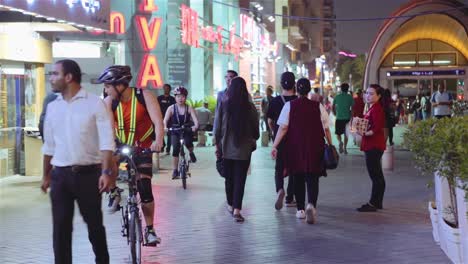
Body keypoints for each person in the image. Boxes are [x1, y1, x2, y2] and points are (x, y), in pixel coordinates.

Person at [41, 59, 114, 263]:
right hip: (60, 177)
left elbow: (107, 141)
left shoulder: (94, 103)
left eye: (55, 74)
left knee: (95, 227)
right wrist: (45, 175)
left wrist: (106, 172)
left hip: (88, 175)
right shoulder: (53, 107)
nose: (51, 78)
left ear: (69, 77)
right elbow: (49, 146)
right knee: (61, 230)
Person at [96, 65, 164, 245]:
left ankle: (150, 230)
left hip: (142, 146)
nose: (105, 90)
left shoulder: (144, 96)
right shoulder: (108, 102)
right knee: (106, 162)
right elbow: (109, 130)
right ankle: (113, 191)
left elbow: (158, 121)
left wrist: (158, 140)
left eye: (107, 86)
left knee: (145, 188)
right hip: (121, 144)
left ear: (120, 85)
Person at [271, 78, 333, 224]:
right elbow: (326, 129)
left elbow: (283, 128)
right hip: (315, 146)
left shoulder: (289, 106)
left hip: (295, 147)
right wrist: (330, 145)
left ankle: (300, 210)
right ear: (309, 89)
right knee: (312, 177)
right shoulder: (318, 106)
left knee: (297, 177)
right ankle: (311, 204)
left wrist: (275, 145)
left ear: (297, 90)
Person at [214, 76, 259, 222]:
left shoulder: (224, 104)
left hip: (226, 148)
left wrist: (217, 145)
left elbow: (217, 127)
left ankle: (230, 204)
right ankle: (237, 210)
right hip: (244, 150)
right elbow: (256, 130)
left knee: (229, 179)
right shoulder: (250, 107)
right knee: (240, 180)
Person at [267, 72, 298, 210]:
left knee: (279, 167)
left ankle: (280, 189)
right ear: (294, 84)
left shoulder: (274, 101)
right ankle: (290, 198)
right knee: (293, 168)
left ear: (281, 84)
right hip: (295, 139)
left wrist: (275, 133)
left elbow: (270, 121)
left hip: (279, 139)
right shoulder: (298, 100)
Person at [356, 84, 386, 212]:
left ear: (379, 96)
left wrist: (364, 133)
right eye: (367, 93)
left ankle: (374, 203)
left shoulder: (377, 109)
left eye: (371, 93)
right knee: (376, 174)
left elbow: (376, 127)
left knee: (376, 175)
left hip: (374, 145)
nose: (368, 95)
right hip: (372, 145)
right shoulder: (372, 108)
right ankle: (377, 202)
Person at [163, 86, 199, 179]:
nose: (180, 99)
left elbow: (195, 121)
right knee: (175, 149)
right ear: (175, 97)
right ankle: (175, 170)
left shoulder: (189, 108)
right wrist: (165, 127)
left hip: (186, 129)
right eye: (178, 96)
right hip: (175, 131)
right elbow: (165, 120)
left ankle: (191, 153)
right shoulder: (171, 108)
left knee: (188, 143)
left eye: (183, 96)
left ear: (185, 97)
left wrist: (195, 126)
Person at [333, 83, 354, 154]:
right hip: (347, 118)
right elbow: (352, 108)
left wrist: (335, 113)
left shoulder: (337, 97)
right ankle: (345, 148)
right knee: (346, 134)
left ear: (341, 89)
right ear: (347, 89)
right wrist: (352, 116)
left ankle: (340, 142)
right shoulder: (350, 97)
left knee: (338, 133)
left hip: (339, 118)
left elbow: (333, 106)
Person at [158, 84, 176, 154]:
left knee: (169, 134)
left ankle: (168, 149)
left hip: (170, 120)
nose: (166, 90)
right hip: (160, 118)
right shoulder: (159, 98)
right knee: (160, 132)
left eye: (167, 88)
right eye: (165, 88)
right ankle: (162, 145)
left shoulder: (173, 99)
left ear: (170, 89)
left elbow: (174, 109)